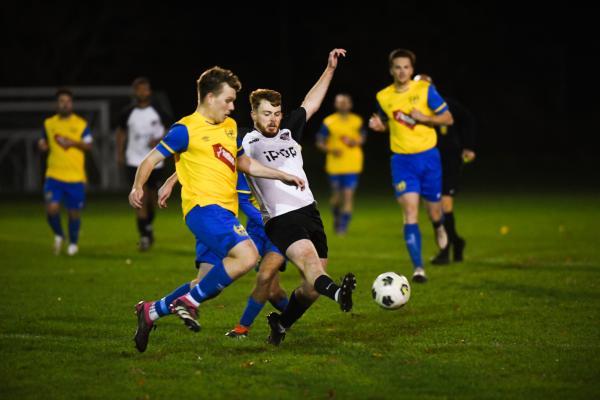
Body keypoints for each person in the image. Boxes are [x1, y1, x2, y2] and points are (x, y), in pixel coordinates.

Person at [130, 66, 305, 353]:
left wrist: (281, 174)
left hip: (224, 214)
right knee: (247, 254)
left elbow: (240, 163)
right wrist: (138, 187)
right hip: (204, 209)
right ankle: (190, 303)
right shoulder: (184, 129)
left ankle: (150, 311)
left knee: (207, 281)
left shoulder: (230, 127)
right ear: (210, 97)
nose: (233, 106)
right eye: (228, 100)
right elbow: (149, 160)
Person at [241, 48, 357, 346]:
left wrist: (330, 69)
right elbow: (219, 157)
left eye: (277, 113)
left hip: (309, 211)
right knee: (310, 263)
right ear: (253, 114)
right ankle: (339, 294)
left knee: (312, 285)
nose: (273, 119)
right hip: (280, 218)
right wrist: (174, 179)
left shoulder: (288, 131)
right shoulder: (245, 140)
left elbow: (311, 102)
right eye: (267, 113)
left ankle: (281, 323)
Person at [158, 168, 290, 339]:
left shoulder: (284, 156)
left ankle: (246, 327)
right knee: (206, 281)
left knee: (270, 286)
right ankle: (154, 310)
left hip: (272, 230)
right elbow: (196, 157)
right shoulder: (240, 152)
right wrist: (171, 180)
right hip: (222, 220)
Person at [368, 49, 454, 283]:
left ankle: (438, 226)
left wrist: (426, 118)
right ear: (391, 70)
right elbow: (387, 123)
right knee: (410, 212)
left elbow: (448, 118)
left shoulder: (425, 90)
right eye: (398, 67)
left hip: (429, 159)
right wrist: (379, 126)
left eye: (406, 67)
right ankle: (418, 268)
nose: (402, 71)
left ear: (412, 70)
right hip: (402, 162)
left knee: (434, 211)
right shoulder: (383, 96)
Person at [414, 74, 476, 264]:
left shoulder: (445, 104)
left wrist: (469, 146)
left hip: (448, 159)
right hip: (425, 160)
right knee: (432, 208)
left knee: (445, 204)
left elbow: (467, 119)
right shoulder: (412, 110)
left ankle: (444, 250)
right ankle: (456, 242)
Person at [116, 77, 170, 251]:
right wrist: (120, 153)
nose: (142, 92)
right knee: (141, 196)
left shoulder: (158, 111)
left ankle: (147, 227)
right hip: (134, 160)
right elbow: (121, 133)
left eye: (145, 89)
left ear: (149, 91)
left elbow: (172, 130)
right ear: (135, 92)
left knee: (153, 199)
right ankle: (145, 235)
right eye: (139, 89)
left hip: (155, 162)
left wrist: (161, 141)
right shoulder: (127, 112)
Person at [38, 88, 93, 256]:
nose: (65, 104)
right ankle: (59, 235)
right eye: (62, 101)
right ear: (57, 104)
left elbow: (88, 145)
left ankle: (73, 243)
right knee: (52, 209)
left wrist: (72, 143)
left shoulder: (81, 124)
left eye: (67, 101)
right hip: (53, 175)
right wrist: (42, 146)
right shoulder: (49, 124)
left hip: (75, 177)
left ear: (72, 104)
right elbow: (44, 141)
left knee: (73, 212)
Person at [315, 93, 366, 234]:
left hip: (352, 164)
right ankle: (337, 216)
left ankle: (343, 227)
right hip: (335, 165)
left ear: (350, 104)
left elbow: (363, 137)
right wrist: (331, 149)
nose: (343, 105)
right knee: (337, 196)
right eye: (340, 102)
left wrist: (357, 141)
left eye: (346, 102)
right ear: (336, 104)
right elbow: (320, 142)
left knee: (348, 194)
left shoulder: (357, 120)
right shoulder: (329, 122)